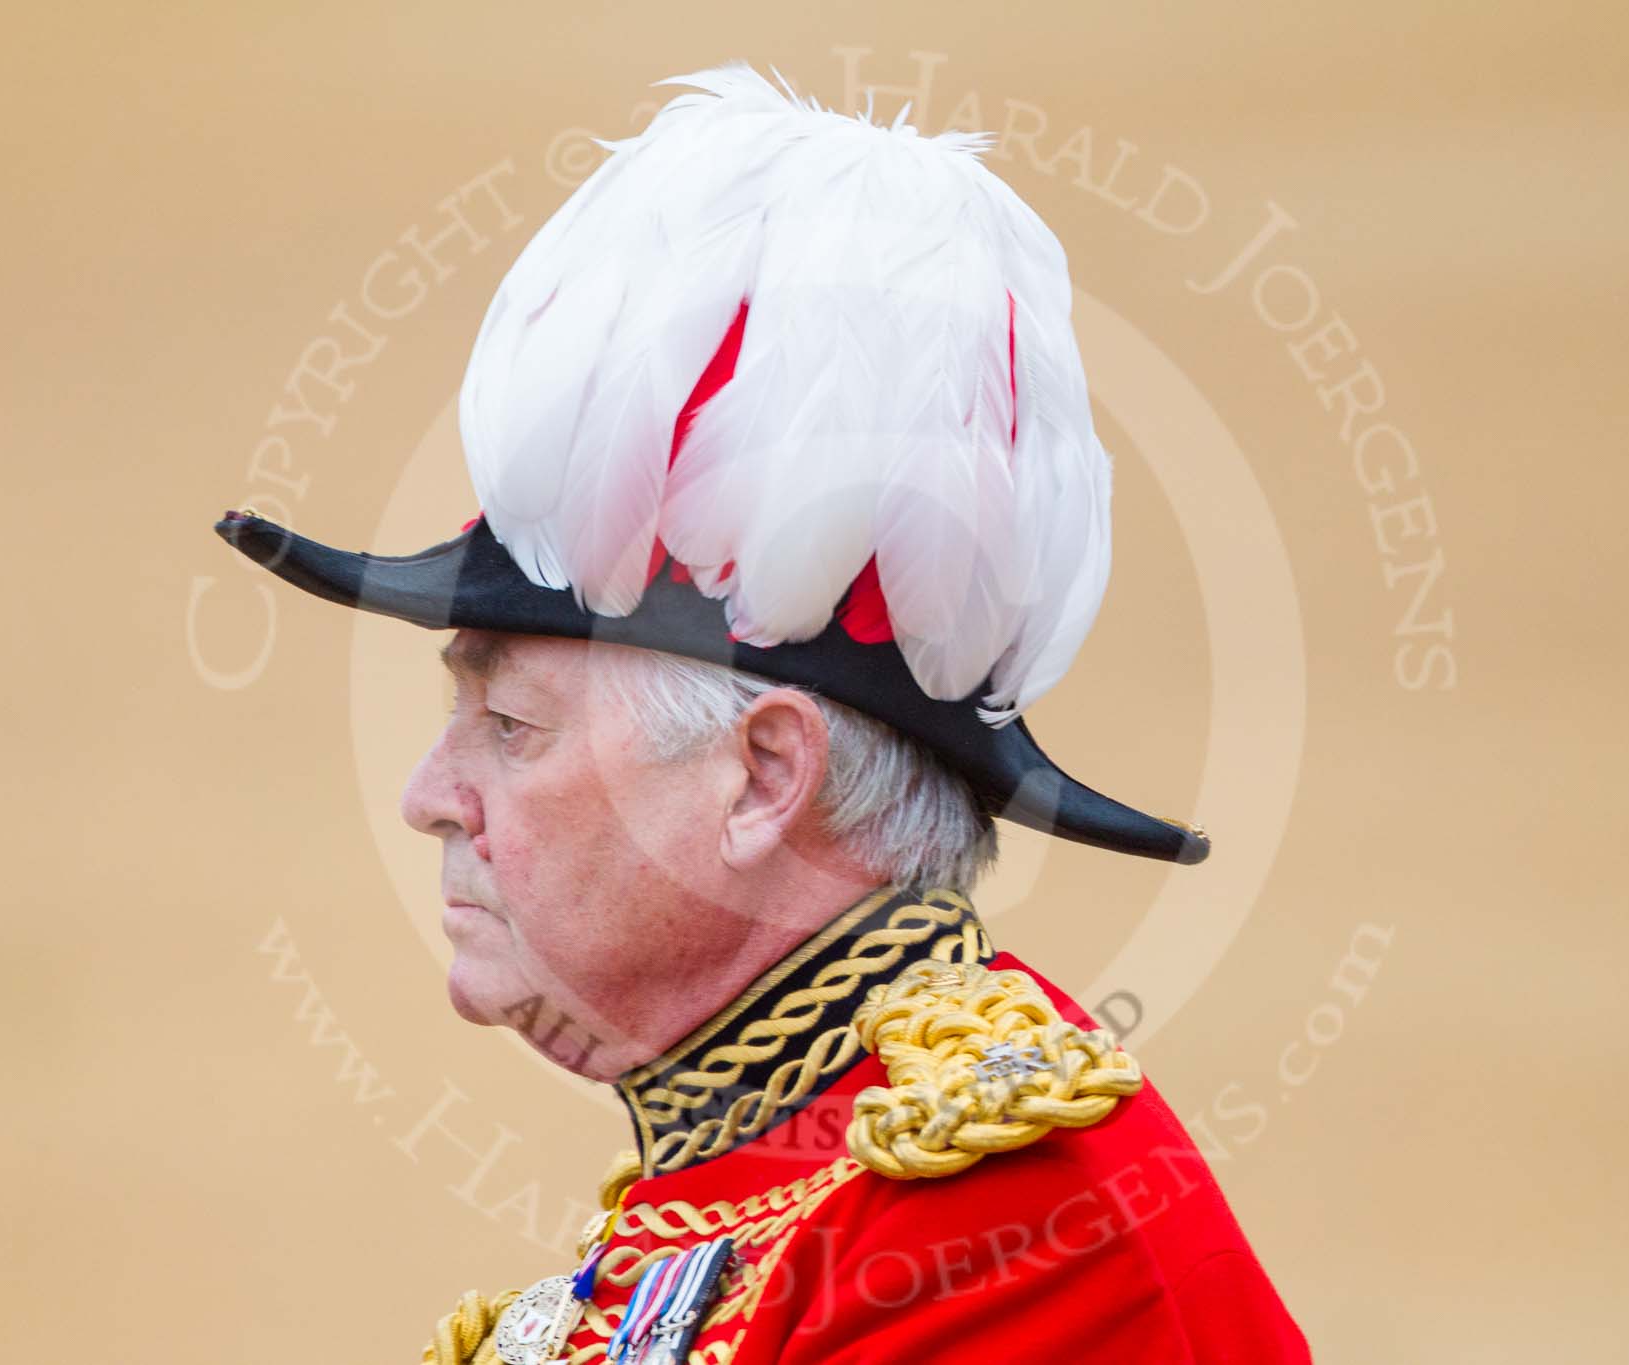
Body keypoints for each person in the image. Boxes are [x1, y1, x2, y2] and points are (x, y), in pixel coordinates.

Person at [215, 61, 1309, 1365]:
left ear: (761, 774)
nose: (428, 793)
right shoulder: (764, 1177)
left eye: (511, 725)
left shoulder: (1009, 1237)